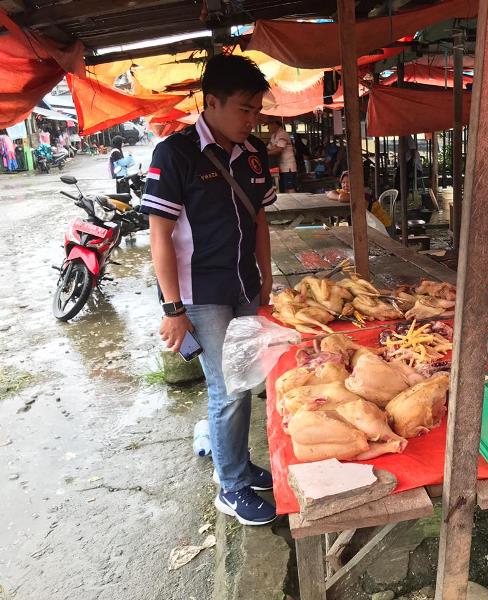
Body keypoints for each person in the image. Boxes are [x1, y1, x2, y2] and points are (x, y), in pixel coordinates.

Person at [140, 54, 278, 526]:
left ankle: (238, 464)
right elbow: (160, 235)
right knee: (229, 389)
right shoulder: (174, 154)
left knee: (247, 378)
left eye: (257, 109)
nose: (251, 119)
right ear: (211, 102)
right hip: (202, 295)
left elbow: (259, 220)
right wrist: (172, 307)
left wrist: (268, 278)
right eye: (244, 109)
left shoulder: (255, 153)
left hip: (245, 287)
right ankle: (232, 486)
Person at [266, 118, 297, 192]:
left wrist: (265, 154)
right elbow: (268, 148)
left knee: (289, 188)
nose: (267, 127)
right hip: (280, 167)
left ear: (275, 124)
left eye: (269, 125)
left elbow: (279, 150)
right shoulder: (273, 135)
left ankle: (294, 203)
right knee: (283, 188)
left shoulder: (283, 134)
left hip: (288, 167)